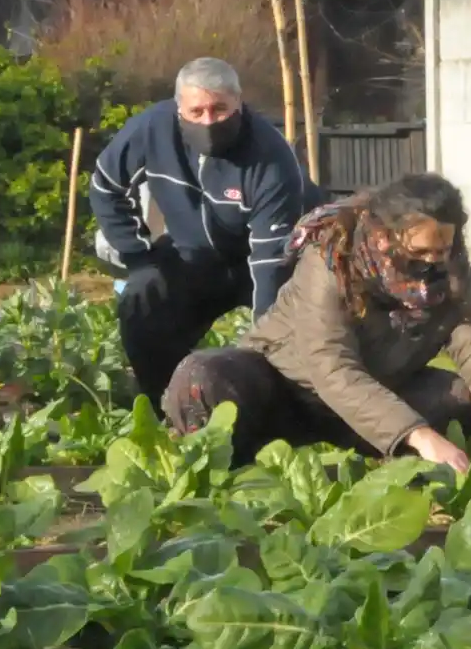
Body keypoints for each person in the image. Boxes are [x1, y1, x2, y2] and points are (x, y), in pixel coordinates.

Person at [162, 172, 471, 487]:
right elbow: (332, 366)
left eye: (441, 251)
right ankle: (223, 478)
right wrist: (420, 435)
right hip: (287, 391)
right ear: (385, 236)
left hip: (368, 407)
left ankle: (403, 468)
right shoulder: (332, 260)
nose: (431, 263)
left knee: (465, 398)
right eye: (419, 252)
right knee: (203, 377)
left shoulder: (450, 279)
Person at [89, 57, 330, 408]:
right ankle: (164, 405)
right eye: (196, 111)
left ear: (238, 104)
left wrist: (261, 344)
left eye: (219, 109)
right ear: (178, 108)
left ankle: (284, 409)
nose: (208, 121)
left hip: (269, 258)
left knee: (292, 330)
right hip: (195, 256)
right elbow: (106, 187)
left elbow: (271, 262)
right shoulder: (152, 129)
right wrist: (138, 256)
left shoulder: (271, 158)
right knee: (143, 294)